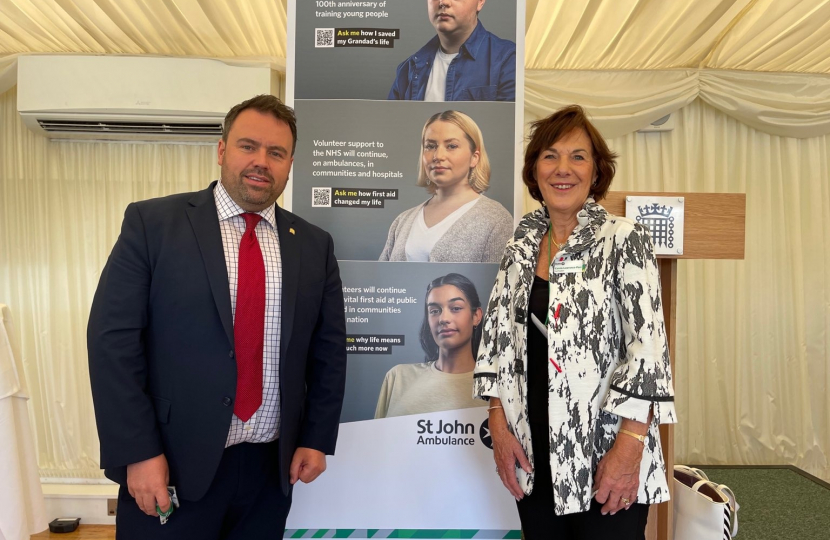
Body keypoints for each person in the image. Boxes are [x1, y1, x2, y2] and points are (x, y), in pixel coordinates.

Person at [87, 95, 347, 539]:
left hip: (270, 470)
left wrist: (316, 437)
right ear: (222, 150)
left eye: (276, 152)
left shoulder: (313, 245)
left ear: (289, 164)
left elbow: (328, 352)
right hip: (170, 464)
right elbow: (112, 342)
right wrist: (138, 452)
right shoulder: (153, 224)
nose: (261, 161)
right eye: (249, 146)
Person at [473, 105, 676, 539]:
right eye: (550, 155)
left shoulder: (624, 239)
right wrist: (498, 423)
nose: (563, 168)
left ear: (597, 172)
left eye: (578, 156)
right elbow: (496, 342)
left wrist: (631, 446)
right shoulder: (522, 243)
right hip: (534, 452)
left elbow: (649, 350)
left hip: (606, 453)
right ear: (534, 170)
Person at [378, 110, 512, 262]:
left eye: (452, 146)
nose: (438, 156)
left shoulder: (496, 220)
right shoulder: (402, 221)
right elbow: (381, 281)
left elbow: (502, 283)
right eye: (430, 146)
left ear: (474, 158)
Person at [375, 273, 485, 418]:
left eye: (456, 308)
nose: (443, 319)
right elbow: (379, 439)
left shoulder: (497, 388)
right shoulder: (398, 378)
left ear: (476, 316)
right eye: (434, 311)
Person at [388, 0, 516, 101]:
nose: (444, 2)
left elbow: (507, 129)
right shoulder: (408, 68)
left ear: (480, 2)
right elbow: (393, 129)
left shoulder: (508, 60)